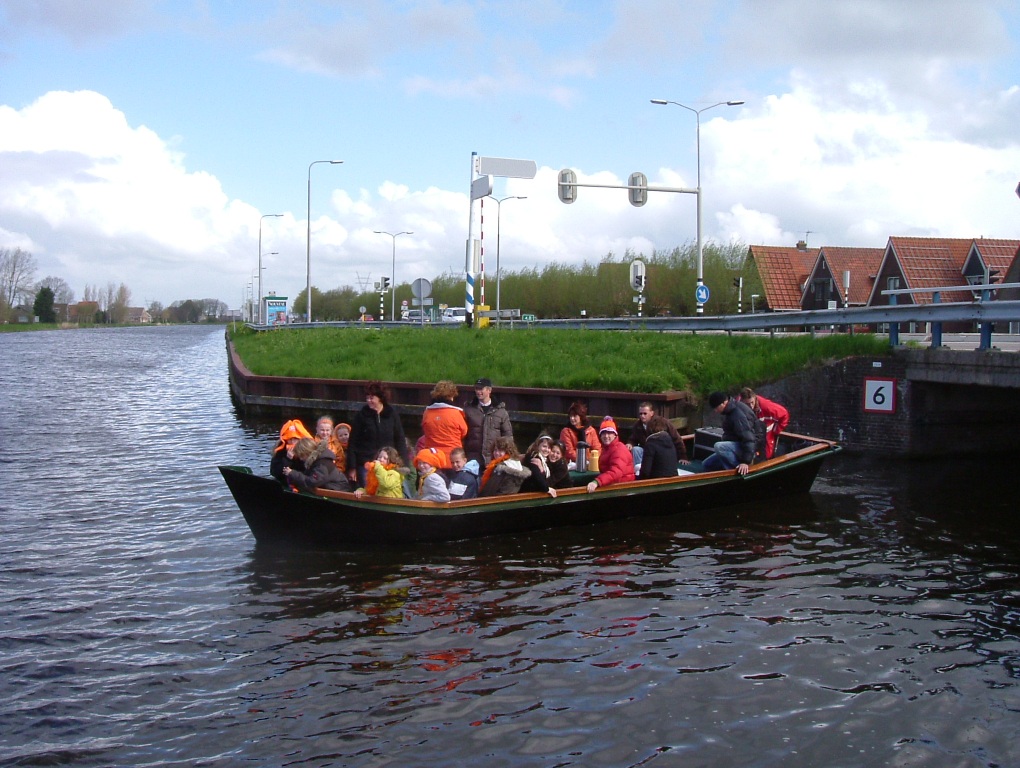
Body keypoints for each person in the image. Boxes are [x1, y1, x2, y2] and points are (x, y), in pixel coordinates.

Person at [347, 381, 409, 489]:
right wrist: (352, 467)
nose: (368, 401)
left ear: (380, 398)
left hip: (388, 463)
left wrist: (404, 464)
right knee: (369, 490)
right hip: (367, 463)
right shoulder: (361, 416)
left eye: (371, 398)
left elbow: (400, 439)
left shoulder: (391, 414)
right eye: (367, 398)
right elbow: (352, 442)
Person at [702, 391, 759, 475]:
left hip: (748, 450)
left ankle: (737, 470)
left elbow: (749, 438)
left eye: (716, 407)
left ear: (724, 403)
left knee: (719, 446)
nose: (715, 411)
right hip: (739, 445)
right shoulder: (730, 411)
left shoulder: (737, 415)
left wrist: (745, 462)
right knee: (707, 464)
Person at [463, 377, 514, 466]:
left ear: (489, 390)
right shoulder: (468, 410)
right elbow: (463, 434)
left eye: (481, 389)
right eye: (476, 389)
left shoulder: (501, 411)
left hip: (494, 458)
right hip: (473, 458)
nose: (478, 392)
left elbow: (508, 436)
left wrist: (508, 456)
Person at [626, 401, 688, 467]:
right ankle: (638, 471)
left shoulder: (662, 422)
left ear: (651, 413)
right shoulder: (638, 425)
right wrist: (630, 443)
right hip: (647, 452)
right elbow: (633, 438)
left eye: (645, 413)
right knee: (636, 450)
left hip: (661, 452)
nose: (642, 416)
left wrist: (683, 456)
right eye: (640, 414)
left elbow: (676, 438)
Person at [282, 437, 352, 492]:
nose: (300, 459)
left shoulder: (322, 464)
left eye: (301, 456)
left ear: (307, 452)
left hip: (339, 489)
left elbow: (313, 482)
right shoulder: (317, 460)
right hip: (331, 486)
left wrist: (292, 473)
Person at [586, 417, 636, 492]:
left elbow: (615, 472)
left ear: (615, 435)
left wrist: (597, 482)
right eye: (603, 433)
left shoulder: (619, 449)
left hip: (623, 488)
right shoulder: (607, 448)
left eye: (609, 433)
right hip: (614, 485)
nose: (606, 436)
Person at [739, 387, 790, 459]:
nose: (750, 406)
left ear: (755, 398)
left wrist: (776, 430)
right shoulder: (738, 405)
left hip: (766, 433)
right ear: (742, 402)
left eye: (752, 403)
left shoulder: (767, 407)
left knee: (766, 455)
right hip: (749, 433)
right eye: (747, 404)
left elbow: (784, 414)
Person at [421, 380, 468, 453]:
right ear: (451, 396)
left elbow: (425, 430)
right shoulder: (456, 413)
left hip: (432, 454)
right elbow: (464, 432)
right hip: (452, 455)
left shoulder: (427, 413)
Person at [269, 419, 313, 483]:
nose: (292, 442)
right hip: (285, 483)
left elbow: (309, 473)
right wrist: (288, 460)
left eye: (295, 439)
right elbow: (274, 472)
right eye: (290, 439)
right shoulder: (280, 450)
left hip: (302, 483)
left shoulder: (307, 449)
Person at [559, 401, 599, 466]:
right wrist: (584, 460)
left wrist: (592, 459)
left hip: (590, 463)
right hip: (571, 464)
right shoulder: (566, 431)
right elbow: (569, 452)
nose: (572, 418)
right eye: (570, 416)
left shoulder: (591, 430)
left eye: (574, 416)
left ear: (581, 416)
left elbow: (597, 448)